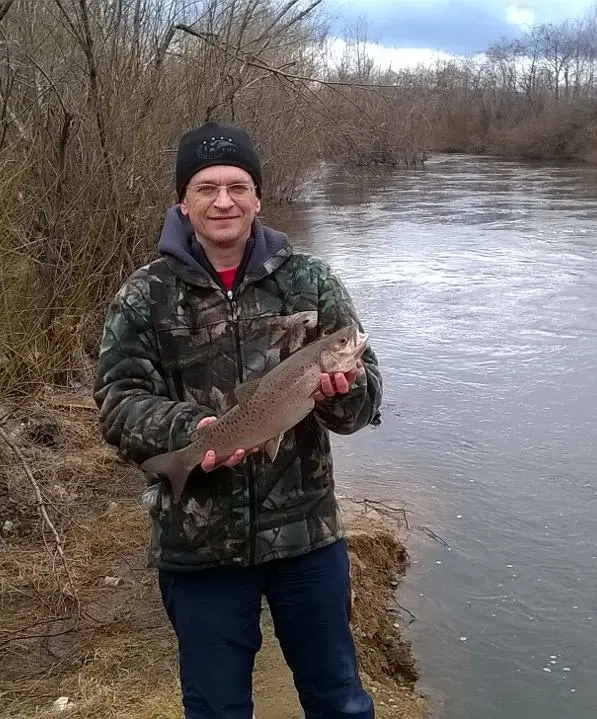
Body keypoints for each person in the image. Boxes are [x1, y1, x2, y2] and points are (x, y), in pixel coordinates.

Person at [93, 121, 383, 719]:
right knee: (216, 707)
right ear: (183, 201)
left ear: (258, 197)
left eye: (237, 185)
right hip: (199, 547)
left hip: (306, 536)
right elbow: (118, 401)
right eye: (206, 187)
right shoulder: (143, 296)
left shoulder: (311, 279)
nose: (222, 200)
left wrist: (339, 392)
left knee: (340, 700)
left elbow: (365, 405)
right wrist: (189, 434)